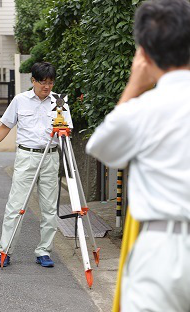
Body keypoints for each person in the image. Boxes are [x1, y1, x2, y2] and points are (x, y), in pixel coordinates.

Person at [86, 0, 190, 311]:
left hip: (164, 248)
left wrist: (134, 84)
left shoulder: (144, 109)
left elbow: (102, 148)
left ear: (143, 52)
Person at [0, 62, 73, 268]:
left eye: (50, 82)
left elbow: (68, 131)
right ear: (33, 81)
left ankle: (44, 251)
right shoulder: (20, 100)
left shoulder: (60, 102)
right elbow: (6, 126)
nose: (46, 86)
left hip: (50, 157)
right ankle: (5, 251)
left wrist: (63, 128)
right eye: (42, 82)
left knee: (49, 208)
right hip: (26, 156)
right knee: (16, 206)